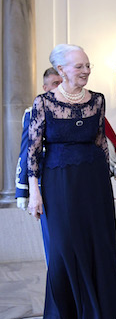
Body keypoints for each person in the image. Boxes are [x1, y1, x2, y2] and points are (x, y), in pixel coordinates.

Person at [27, 44, 116, 319]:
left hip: (94, 183)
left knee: (93, 252)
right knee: (61, 254)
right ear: (61, 71)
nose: (86, 70)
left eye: (87, 65)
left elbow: (101, 142)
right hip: (58, 183)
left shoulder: (98, 101)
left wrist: (112, 175)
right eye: (79, 66)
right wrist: (34, 193)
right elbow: (32, 151)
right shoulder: (44, 103)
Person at [16, 68, 62, 262]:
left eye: (61, 82)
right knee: (53, 239)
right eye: (54, 83)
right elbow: (27, 150)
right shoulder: (33, 111)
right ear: (45, 88)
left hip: (72, 178)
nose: (59, 87)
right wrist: (22, 190)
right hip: (46, 182)